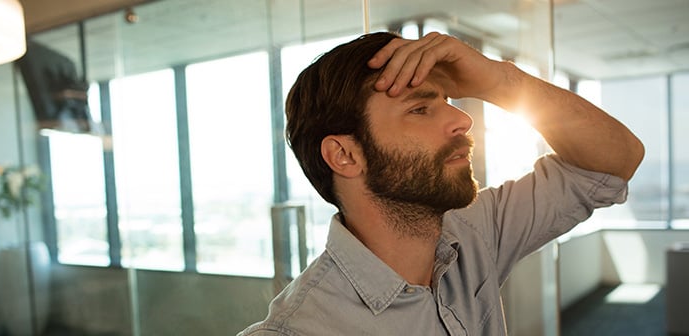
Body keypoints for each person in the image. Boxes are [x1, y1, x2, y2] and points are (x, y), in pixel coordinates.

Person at [238, 31, 644, 335]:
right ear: (345, 155)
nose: (463, 120)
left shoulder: (472, 230)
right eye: (420, 109)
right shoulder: (298, 331)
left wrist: (499, 81)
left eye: (448, 103)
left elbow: (613, 162)